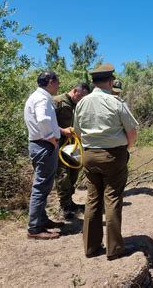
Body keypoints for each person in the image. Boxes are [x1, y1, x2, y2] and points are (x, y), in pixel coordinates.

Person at [74, 64, 138, 260]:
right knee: (112, 199)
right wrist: (126, 149)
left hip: (90, 156)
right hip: (113, 156)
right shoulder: (116, 102)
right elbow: (132, 132)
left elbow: (77, 132)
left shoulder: (82, 103)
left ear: (93, 82)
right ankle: (115, 249)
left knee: (92, 200)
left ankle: (91, 248)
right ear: (110, 82)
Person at [24, 71, 65, 239]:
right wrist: (52, 139)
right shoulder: (42, 98)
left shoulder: (37, 96)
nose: (58, 85)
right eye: (57, 81)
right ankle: (34, 228)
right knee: (41, 187)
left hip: (39, 145)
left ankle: (41, 219)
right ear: (50, 82)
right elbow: (42, 120)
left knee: (44, 186)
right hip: (44, 145)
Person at [53, 82, 90, 219]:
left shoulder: (77, 105)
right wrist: (63, 132)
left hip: (73, 146)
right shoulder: (57, 101)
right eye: (81, 96)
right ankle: (64, 206)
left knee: (74, 172)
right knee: (62, 176)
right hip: (59, 145)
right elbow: (47, 123)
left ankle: (70, 202)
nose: (82, 100)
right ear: (75, 91)